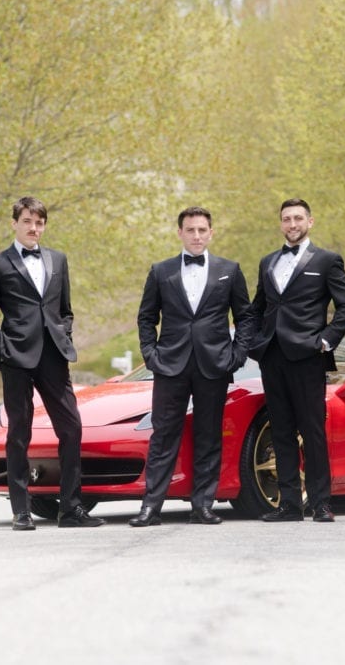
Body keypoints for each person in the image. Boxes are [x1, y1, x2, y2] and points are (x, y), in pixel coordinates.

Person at [0, 196, 104, 530]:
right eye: (28, 222)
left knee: (71, 427)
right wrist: (3, 349)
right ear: (15, 223)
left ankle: (71, 509)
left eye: (40, 223)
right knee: (19, 432)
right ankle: (21, 510)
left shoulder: (57, 259)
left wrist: (64, 335)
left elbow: (66, 309)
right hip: (16, 357)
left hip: (54, 356)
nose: (34, 228)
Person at [130, 207, 253, 527]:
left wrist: (237, 355)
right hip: (170, 365)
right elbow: (146, 318)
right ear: (180, 233)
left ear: (211, 232)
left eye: (202, 230)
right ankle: (150, 507)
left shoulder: (230, 270)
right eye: (190, 230)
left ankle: (203, 505)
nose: (196, 235)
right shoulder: (161, 271)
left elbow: (246, 318)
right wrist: (150, 354)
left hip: (214, 365)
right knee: (163, 436)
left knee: (209, 435)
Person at [248, 198, 345, 522]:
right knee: (281, 431)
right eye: (286, 219)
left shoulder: (327, 260)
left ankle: (321, 503)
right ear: (280, 223)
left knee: (313, 431)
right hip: (272, 357)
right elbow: (258, 308)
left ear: (310, 221)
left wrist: (325, 341)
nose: (292, 224)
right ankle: (289, 505)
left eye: (298, 218)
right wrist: (255, 341)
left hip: (308, 357)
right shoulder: (267, 262)